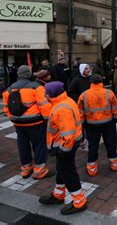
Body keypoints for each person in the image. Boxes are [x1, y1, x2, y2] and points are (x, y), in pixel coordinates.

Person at [39, 82, 87, 215]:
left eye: (46, 92)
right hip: (66, 145)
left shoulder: (61, 108)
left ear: (52, 94)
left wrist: (63, 150)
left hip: (66, 146)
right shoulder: (65, 101)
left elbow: (68, 134)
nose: (44, 94)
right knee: (62, 169)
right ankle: (58, 195)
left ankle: (79, 201)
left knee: (68, 172)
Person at [2, 65, 55, 180]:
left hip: (19, 124)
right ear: (28, 74)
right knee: (39, 146)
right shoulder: (36, 87)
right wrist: (47, 119)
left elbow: (7, 108)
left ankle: (26, 169)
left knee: (23, 146)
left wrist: (14, 120)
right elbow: (44, 106)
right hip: (35, 123)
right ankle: (39, 171)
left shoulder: (8, 90)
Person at [77, 75, 117, 176]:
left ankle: (92, 167)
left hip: (91, 125)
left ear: (91, 82)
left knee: (93, 145)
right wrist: (115, 118)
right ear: (102, 82)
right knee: (110, 144)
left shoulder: (84, 95)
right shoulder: (109, 93)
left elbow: (79, 110)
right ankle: (114, 163)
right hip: (108, 123)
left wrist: (83, 122)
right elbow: (116, 107)